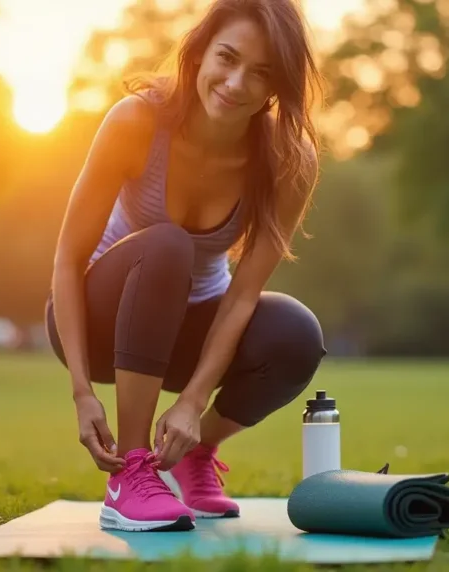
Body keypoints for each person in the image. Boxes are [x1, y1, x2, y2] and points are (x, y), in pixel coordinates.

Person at [45, 0, 326, 532]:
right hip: (103, 323)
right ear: (198, 54)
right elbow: (68, 258)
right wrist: (82, 392)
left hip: (189, 333)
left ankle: (196, 455)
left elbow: (242, 296)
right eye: (227, 57)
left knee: (295, 333)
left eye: (261, 73)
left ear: (276, 87)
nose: (237, 82)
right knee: (169, 246)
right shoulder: (136, 121)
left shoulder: (289, 162)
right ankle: (131, 471)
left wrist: (194, 403)